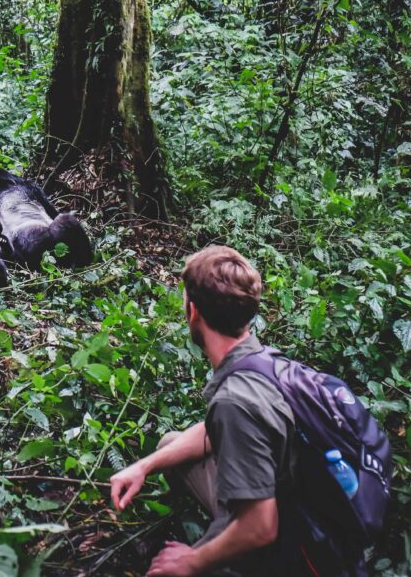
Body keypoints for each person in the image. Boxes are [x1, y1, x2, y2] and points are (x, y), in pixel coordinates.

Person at [109, 246, 294, 577]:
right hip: (294, 500)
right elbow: (213, 432)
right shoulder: (270, 362)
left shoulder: (234, 400)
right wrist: (144, 466)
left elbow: (260, 527)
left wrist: (191, 562)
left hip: (282, 541)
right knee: (170, 445)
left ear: (193, 312)